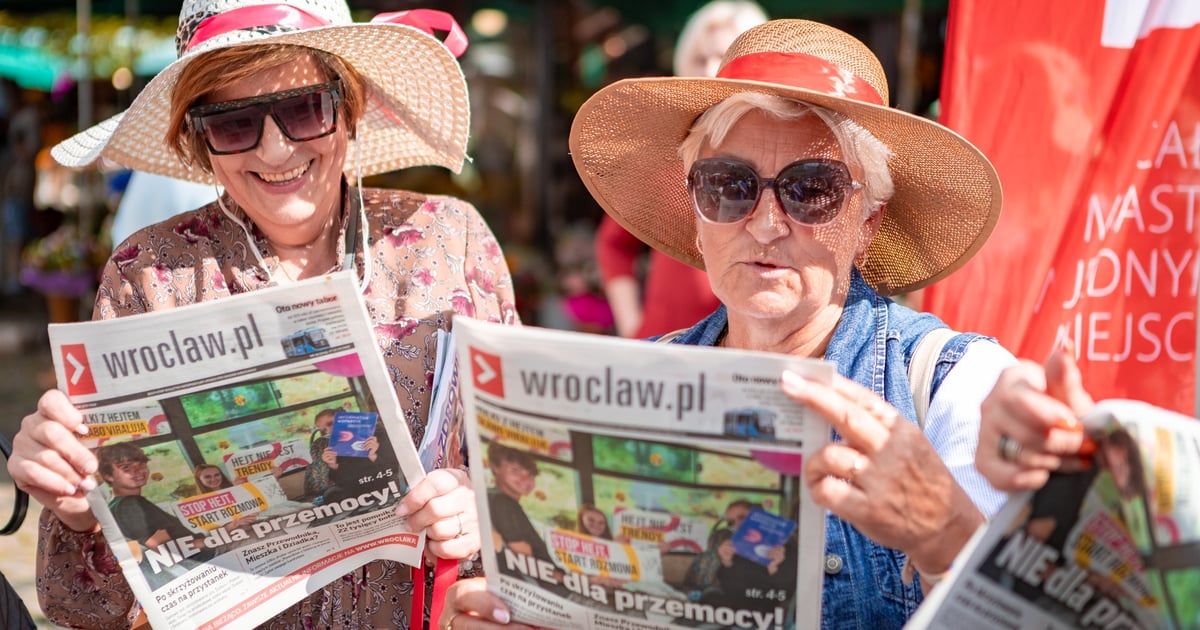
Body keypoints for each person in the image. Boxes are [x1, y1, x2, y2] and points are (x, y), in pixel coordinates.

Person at [445, 18, 1015, 629]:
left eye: (812, 189)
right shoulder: (639, 381)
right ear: (696, 215)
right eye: (728, 186)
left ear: (868, 224)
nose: (766, 223)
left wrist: (945, 538)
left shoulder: (953, 384)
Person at [6, 1, 516, 627]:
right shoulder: (148, 271)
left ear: (347, 109)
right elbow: (94, 598)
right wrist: (78, 496)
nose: (276, 150)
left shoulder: (450, 237)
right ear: (200, 143)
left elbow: (518, 462)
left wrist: (477, 506)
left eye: (304, 109)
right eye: (234, 123)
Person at [595, 0, 765, 338]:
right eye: (702, 58)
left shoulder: (777, 158)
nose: (711, 68)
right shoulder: (663, 152)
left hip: (747, 348)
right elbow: (613, 244)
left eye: (725, 57)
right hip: (666, 344)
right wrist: (632, 326)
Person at [97, 443, 215, 589]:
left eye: (141, 464)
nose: (138, 471)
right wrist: (218, 539)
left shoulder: (119, 505)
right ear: (108, 476)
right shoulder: (130, 506)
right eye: (126, 467)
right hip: (201, 569)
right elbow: (168, 550)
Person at [486, 442, 555, 572]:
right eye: (515, 470)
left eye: (530, 475)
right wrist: (566, 579)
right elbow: (530, 564)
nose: (524, 479)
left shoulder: (491, 497)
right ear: (495, 467)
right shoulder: (504, 503)